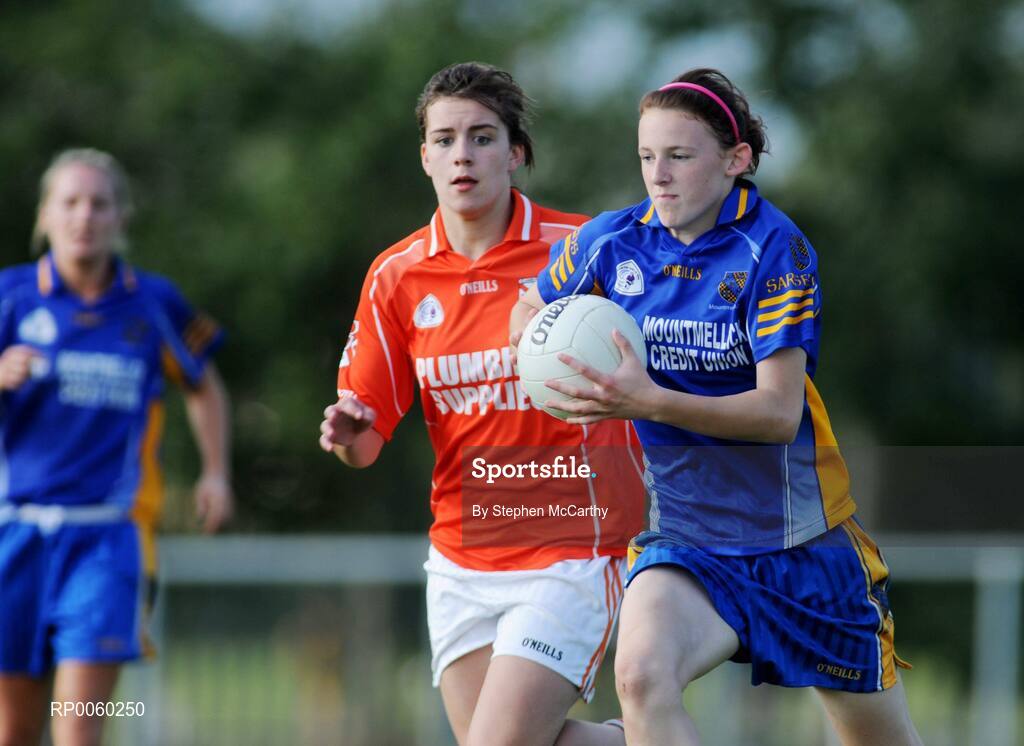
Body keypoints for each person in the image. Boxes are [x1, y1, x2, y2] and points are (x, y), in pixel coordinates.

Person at [510, 68, 923, 746]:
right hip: (689, 543)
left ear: (736, 161)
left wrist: (646, 401)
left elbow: (776, 415)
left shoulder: (774, 248)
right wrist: (539, 348)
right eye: (647, 157)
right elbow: (529, 303)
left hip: (803, 548)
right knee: (642, 677)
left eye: (679, 155)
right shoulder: (612, 243)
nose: (659, 175)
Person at [318, 62, 644, 746]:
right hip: (461, 557)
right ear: (425, 158)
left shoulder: (584, 250)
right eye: (444, 139)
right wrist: (348, 429)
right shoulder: (398, 276)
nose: (462, 154)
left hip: (571, 547)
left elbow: (652, 370)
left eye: (483, 136)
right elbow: (366, 444)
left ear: (516, 153)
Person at [0, 148, 232, 746]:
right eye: (69, 202)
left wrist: (215, 473)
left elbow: (203, 386)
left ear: (121, 218)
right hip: (13, 535)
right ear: (45, 215)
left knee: (77, 728)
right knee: (15, 730)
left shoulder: (152, 301)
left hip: (106, 538)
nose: (84, 216)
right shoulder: (11, 297)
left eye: (99, 203)